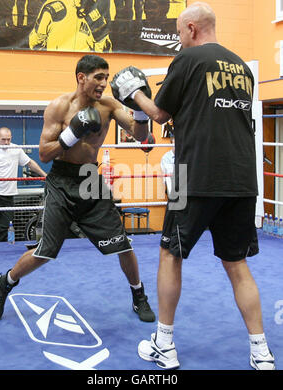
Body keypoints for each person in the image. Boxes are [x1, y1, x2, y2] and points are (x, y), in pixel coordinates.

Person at [111, 2, 275, 370]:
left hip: (195, 176)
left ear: (191, 29)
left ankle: (164, 345)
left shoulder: (187, 61)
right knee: (237, 264)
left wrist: (135, 92)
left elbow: (158, 114)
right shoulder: (242, 69)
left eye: (180, 34)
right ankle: (261, 351)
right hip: (240, 179)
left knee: (170, 255)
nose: (179, 41)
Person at [0, 54, 155, 326]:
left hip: (90, 179)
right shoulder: (59, 107)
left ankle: (139, 295)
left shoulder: (110, 105)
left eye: (106, 77)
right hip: (61, 182)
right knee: (46, 250)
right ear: (81, 77)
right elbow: (43, 153)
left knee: (122, 245)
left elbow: (143, 140)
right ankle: (5, 283)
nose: (104, 83)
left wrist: (138, 107)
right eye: (98, 77)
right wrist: (72, 134)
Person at [0, 127, 47, 243]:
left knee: (5, 227)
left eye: (8, 139)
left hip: (8, 196)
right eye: (3, 139)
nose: (6, 142)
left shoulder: (16, 149)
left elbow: (30, 163)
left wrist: (44, 175)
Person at [160, 131, 174, 197]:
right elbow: (168, 177)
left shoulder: (186, 155)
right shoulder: (166, 157)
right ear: (172, 142)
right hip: (172, 186)